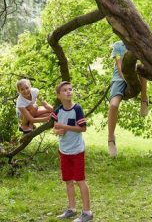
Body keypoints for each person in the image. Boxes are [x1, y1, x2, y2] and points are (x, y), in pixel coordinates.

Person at [52, 81, 93, 222]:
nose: (68, 91)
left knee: (80, 180)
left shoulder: (77, 109)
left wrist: (64, 126)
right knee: (68, 181)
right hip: (64, 151)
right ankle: (71, 209)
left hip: (77, 151)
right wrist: (58, 131)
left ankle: (87, 212)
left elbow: (83, 128)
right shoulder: (58, 110)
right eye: (64, 90)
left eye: (70, 89)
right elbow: (54, 128)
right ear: (59, 95)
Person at [108, 40, 149, 158]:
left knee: (142, 69)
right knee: (113, 105)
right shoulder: (117, 46)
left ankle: (144, 98)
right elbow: (120, 67)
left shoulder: (140, 41)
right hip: (119, 78)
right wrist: (128, 80)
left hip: (137, 74)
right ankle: (111, 139)